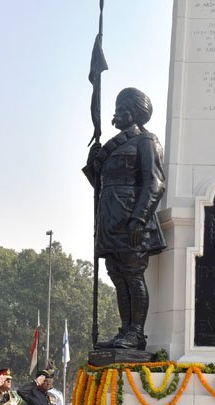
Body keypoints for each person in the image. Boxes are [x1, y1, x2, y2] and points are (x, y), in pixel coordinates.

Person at [84, 87, 166, 350]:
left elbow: (154, 183)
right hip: (109, 219)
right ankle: (124, 331)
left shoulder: (146, 141)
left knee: (132, 275)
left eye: (120, 110)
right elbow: (101, 185)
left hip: (131, 220)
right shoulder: (112, 146)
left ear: (132, 113)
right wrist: (93, 163)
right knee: (118, 276)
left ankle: (136, 333)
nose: (114, 115)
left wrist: (139, 219)